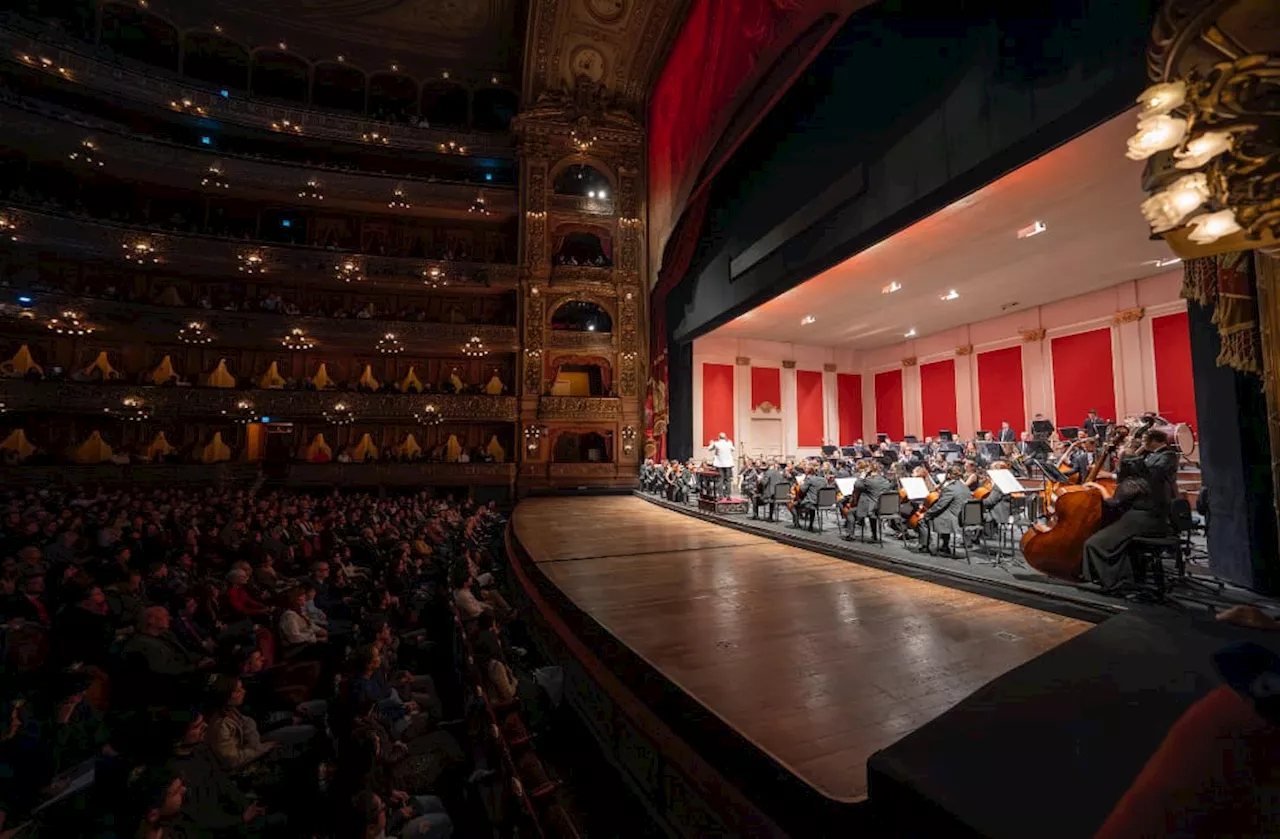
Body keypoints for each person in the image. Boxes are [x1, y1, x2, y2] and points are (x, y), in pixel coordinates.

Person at [1081, 428, 1179, 592]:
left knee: (1094, 543)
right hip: (1157, 519)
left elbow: (1113, 502)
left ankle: (1115, 581)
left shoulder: (1134, 483)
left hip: (1142, 521)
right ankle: (1129, 573)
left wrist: (1098, 487)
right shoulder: (1153, 481)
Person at [707, 432, 736, 500]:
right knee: (728, 480)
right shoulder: (729, 443)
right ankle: (728, 495)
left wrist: (711, 443)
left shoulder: (717, 443)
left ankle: (720, 495)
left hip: (720, 465)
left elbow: (709, 448)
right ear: (725, 437)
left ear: (719, 437)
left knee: (720, 480)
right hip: (728, 464)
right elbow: (733, 449)